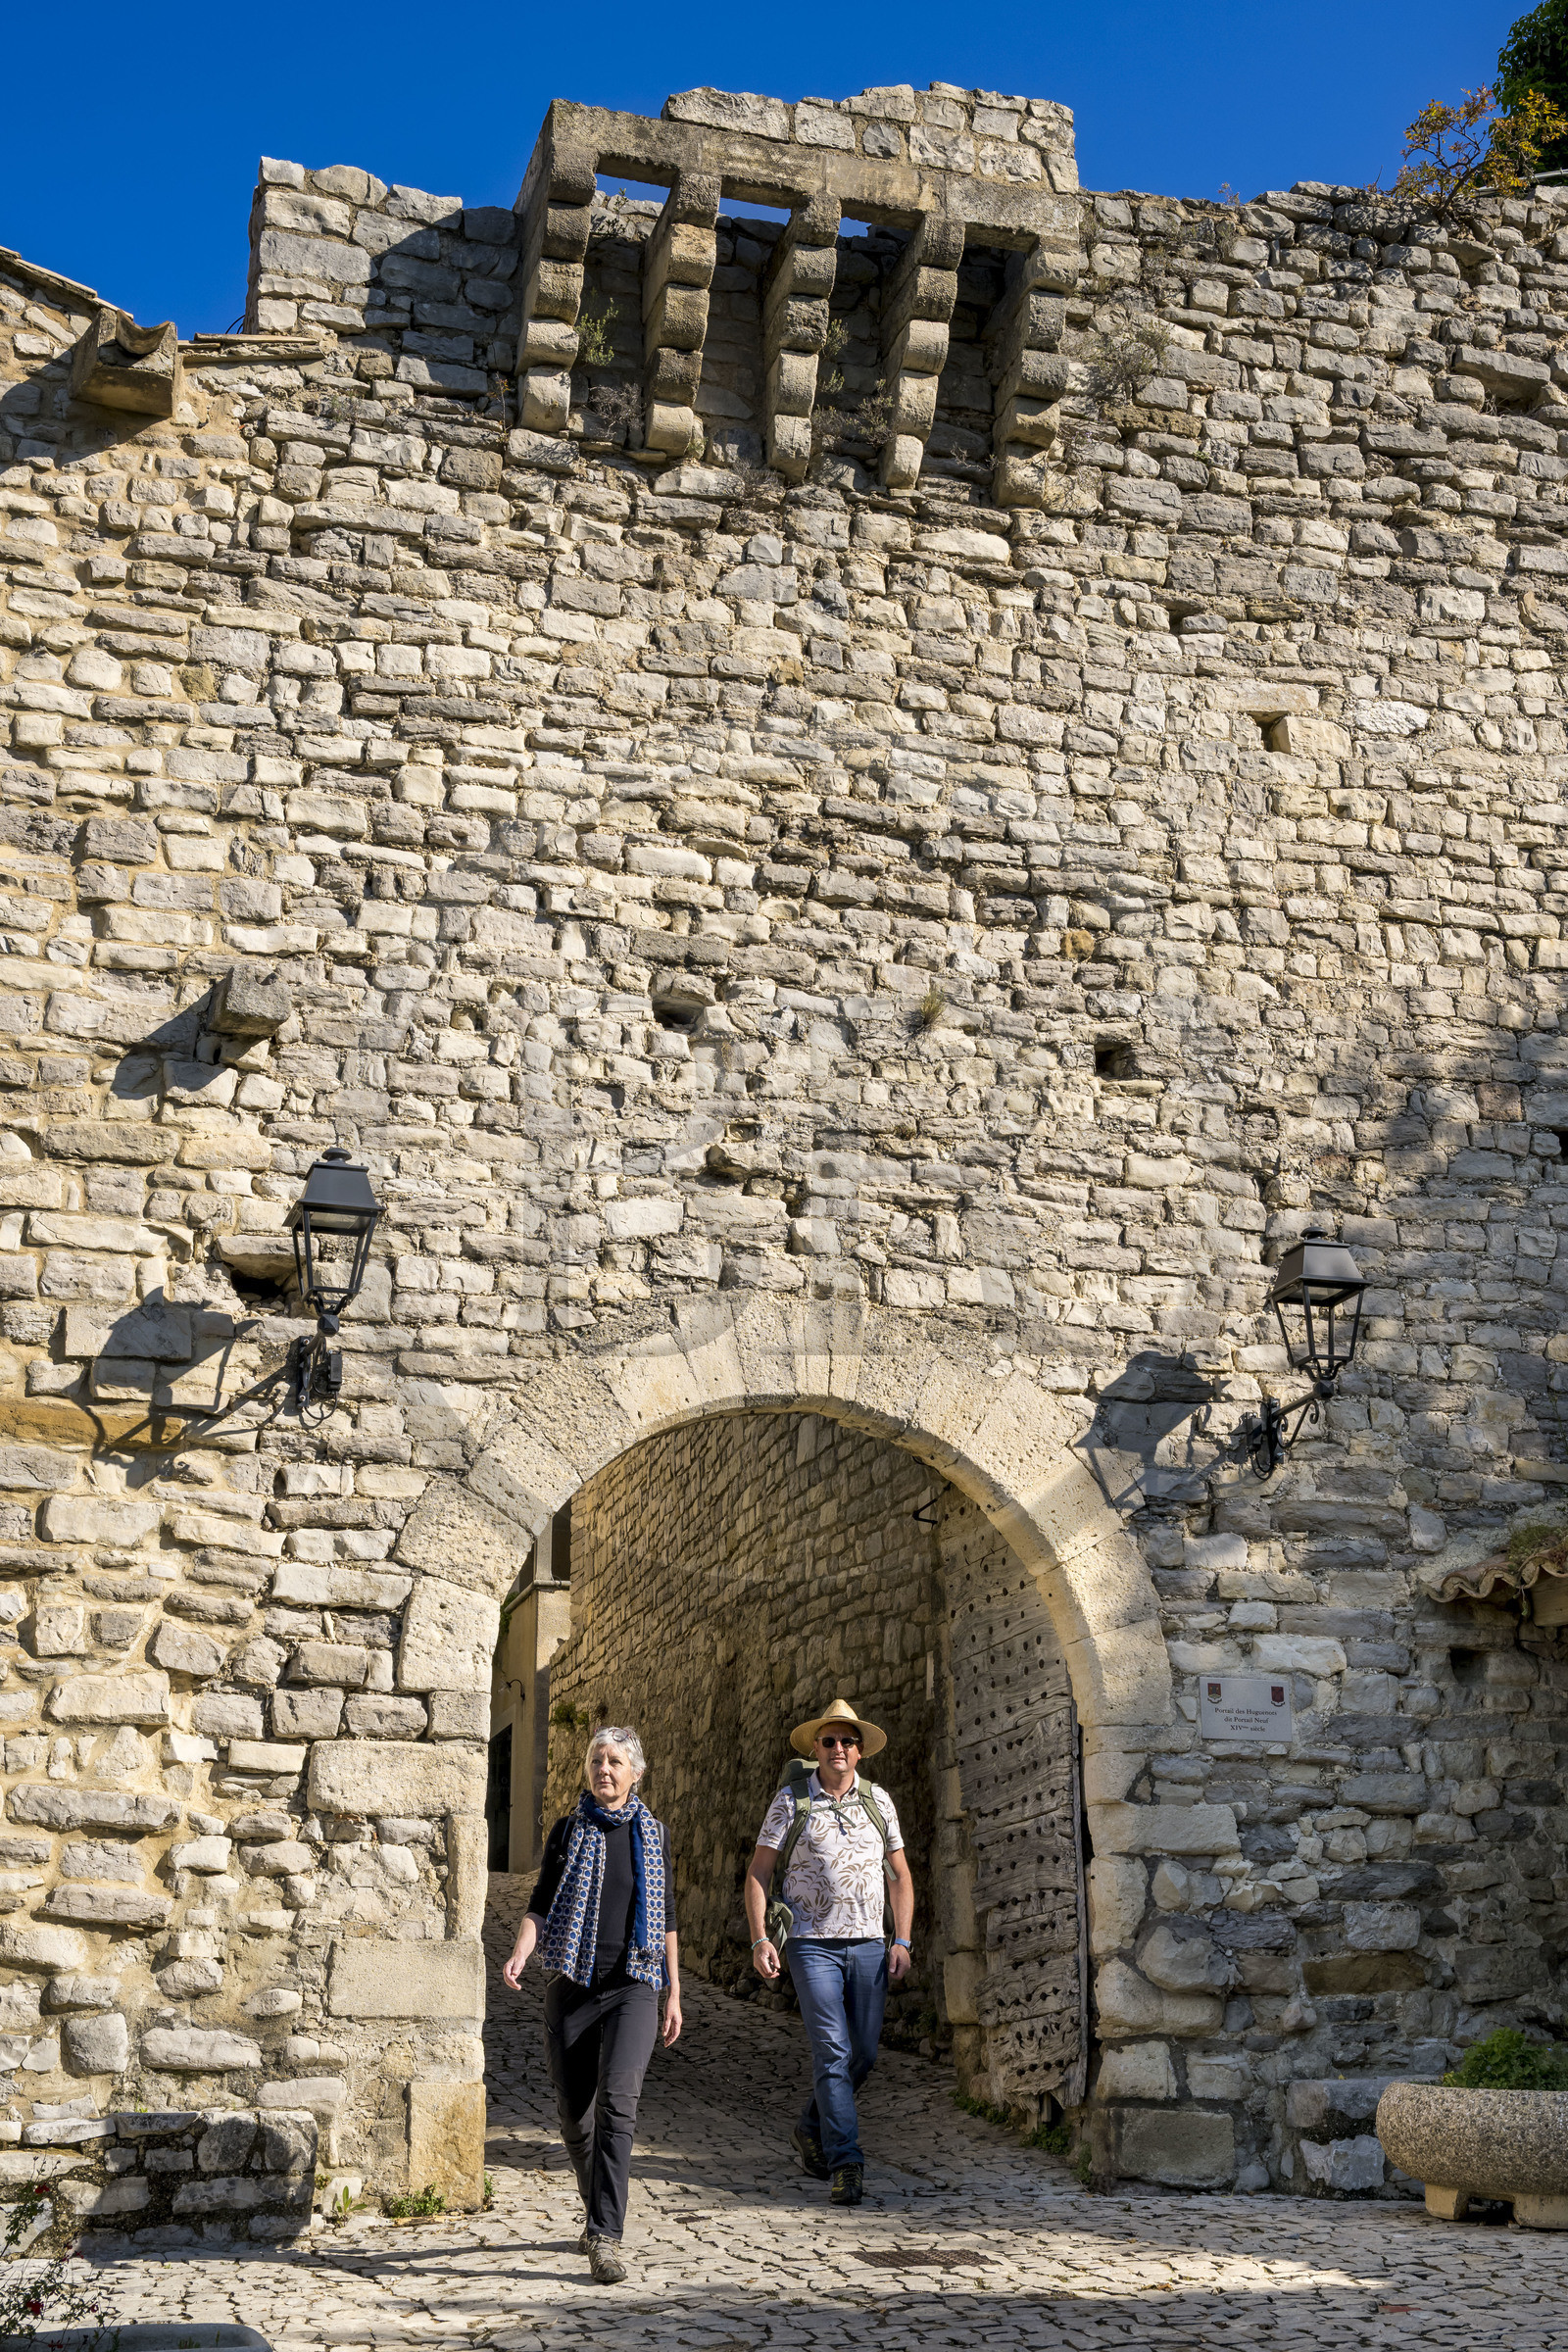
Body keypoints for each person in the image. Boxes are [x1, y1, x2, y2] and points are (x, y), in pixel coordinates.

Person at [502, 1725, 681, 2285]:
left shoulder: (653, 1836)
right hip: (572, 1983)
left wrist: (674, 1989)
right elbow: (540, 1905)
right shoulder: (567, 1831)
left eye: (615, 1762)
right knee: (574, 2115)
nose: (604, 1769)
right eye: (597, 1760)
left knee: (618, 2109)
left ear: (636, 1773)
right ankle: (595, 2206)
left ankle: (605, 2235)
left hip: (635, 1983)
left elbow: (669, 1916)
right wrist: (520, 1951)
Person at [744, 1696, 914, 2208]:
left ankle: (810, 2126)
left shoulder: (879, 1803)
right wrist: (759, 1938)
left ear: (860, 1751)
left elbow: (901, 1876)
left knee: (862, 2054)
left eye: (847, 1740)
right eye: (829, 1740)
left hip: (868, 1944)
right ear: (815, 1749)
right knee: (833, 2052)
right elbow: (758, 1874)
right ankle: (847, 2163)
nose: (838, 1748)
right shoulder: (791, 1801)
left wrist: (901, 1938)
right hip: (811, 1945)